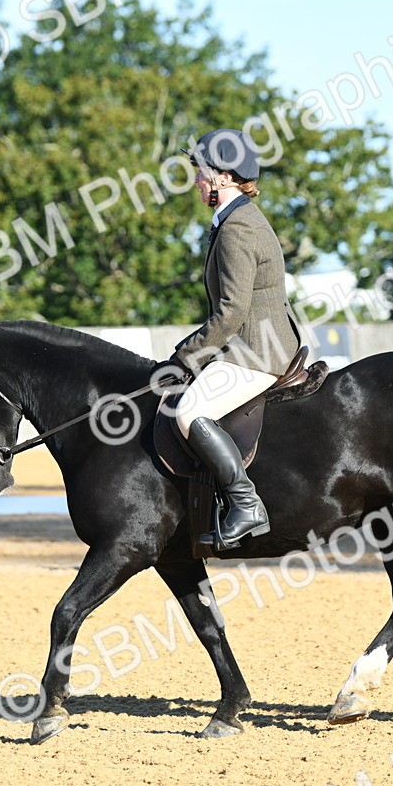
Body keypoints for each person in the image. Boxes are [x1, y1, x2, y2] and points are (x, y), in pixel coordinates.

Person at [167, 129, 301, 550]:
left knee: (188, 411)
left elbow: (230, 312)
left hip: (257, 350)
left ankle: (246, 504)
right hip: (250, 343)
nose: (196, 180)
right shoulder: (232, 220)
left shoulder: (238, 228)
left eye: (201, 171)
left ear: (224, 176)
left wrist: (185, 356)